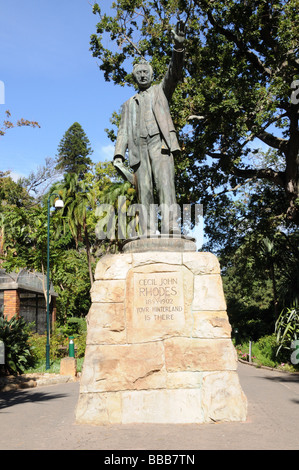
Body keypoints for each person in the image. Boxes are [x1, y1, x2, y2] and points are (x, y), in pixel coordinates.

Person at [113, 21, 185, 236]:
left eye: (146, 72)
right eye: (139, 73)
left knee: (165, 185)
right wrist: (118, 155)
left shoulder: (160, 91)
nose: (143, 75)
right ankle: (147, 229)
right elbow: (123, 131)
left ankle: (171, 226)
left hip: (160, 144)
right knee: (144, 190)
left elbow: (173, 72)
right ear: (134, 77)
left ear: (151, 75)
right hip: (138, 149)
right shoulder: (128, 104)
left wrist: (178, 48)